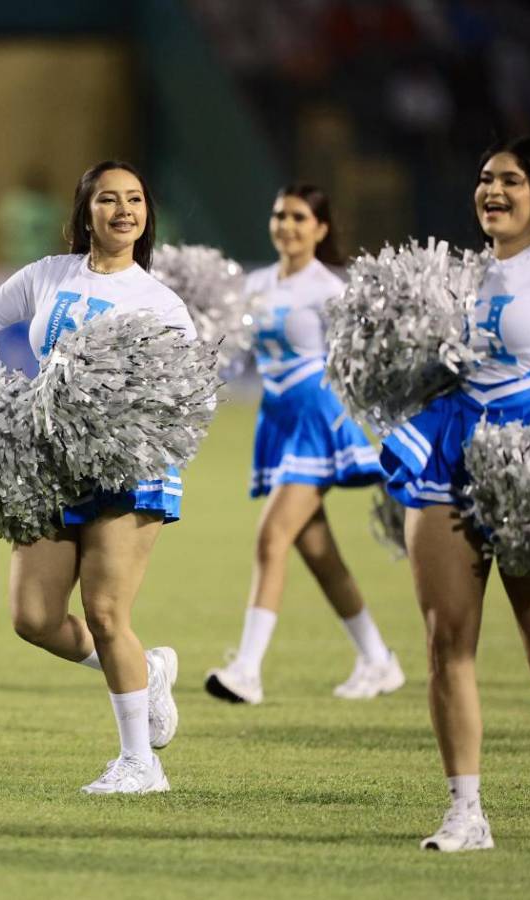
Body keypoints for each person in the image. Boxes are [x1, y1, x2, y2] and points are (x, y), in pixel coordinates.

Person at [381, 137, 530, 851]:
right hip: (448, 462)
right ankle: (466, 813)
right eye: (484, 178)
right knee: (447, 641)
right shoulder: (460, 275)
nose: (493, 191)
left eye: (511, 179)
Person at [0, 161, 190, 794]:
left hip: (129, 466)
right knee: (33, 617)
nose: (124, 211)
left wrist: (126, 426)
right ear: (85, 211)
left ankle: (141, 764)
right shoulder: (48, 275)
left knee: (106, 611)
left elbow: (185, 394)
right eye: (108, 199)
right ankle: (146, 672)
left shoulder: (160, 301)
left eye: (135, 199)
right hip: (51, 460)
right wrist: (2, 389)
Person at [205, 184, 403, 706]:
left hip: (317, 416)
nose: (287, 225)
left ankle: (247, 672)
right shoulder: (255, 284)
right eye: (280, 215)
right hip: (278, 416)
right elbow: (234, 356)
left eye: (298, 217)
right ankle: (378, 659)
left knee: (272, 536)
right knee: (318, 553)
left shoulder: (329, 289)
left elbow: (360, 359)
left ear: (320, 228)